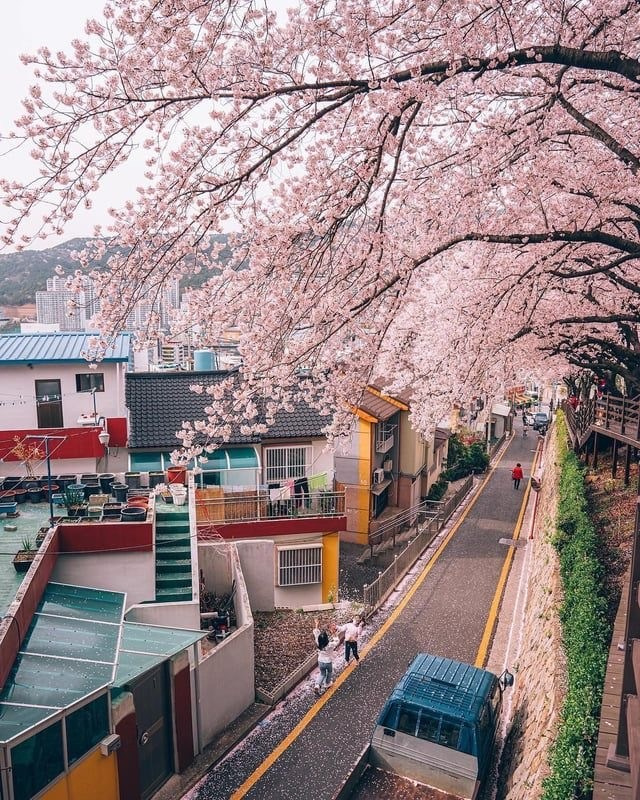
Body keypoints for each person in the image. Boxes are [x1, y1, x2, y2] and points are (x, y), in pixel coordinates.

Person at [312, 618, 339, 695]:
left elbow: (316, 633)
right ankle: (327, 683)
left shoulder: (318, 642)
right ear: (327, 639)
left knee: (322, 673)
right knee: (329, 672)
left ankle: (317, 685)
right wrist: (334, 633)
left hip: (320, 661)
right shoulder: (330, 645)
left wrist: (317, 624)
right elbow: (337, 641)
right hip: (328, 662)